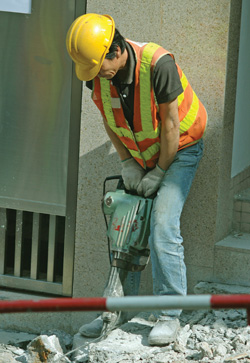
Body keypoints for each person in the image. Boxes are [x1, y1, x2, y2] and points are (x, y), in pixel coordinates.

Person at [66, 13, 207, 346]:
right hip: (139, 156)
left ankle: (170, 315)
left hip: (180, 149)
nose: (97, 75)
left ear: (115, 51)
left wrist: (160, 171)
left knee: (162, 223)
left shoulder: (159, 65)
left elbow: (171, 126)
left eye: (100, 66)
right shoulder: (98, 75)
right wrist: (128, 162)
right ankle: (116, 311)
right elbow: (108, 118)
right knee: (123, 225)